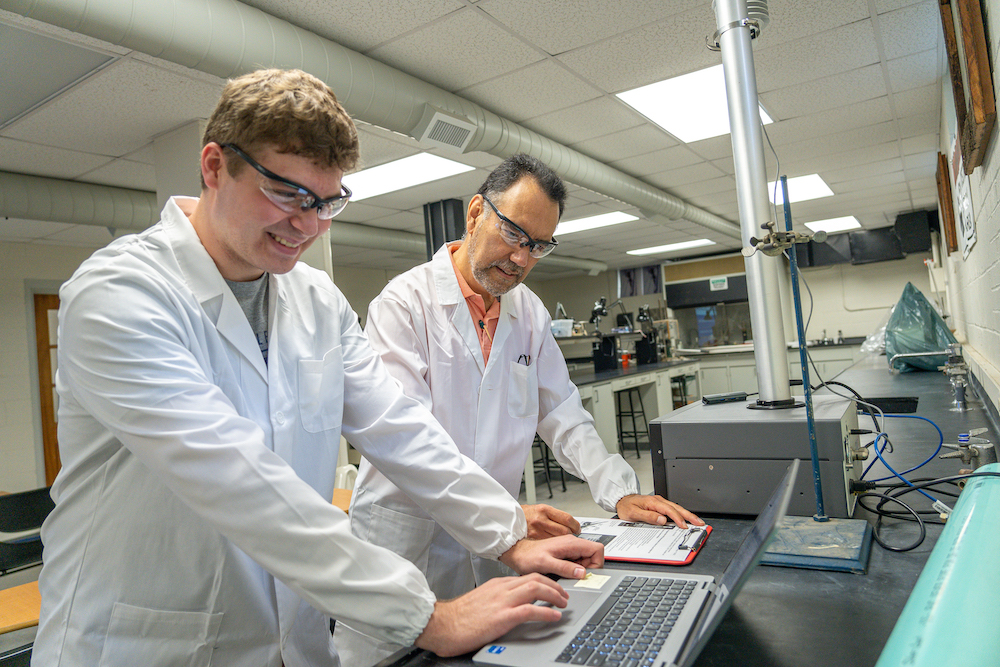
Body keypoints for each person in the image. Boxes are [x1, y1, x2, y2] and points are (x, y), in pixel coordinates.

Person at [33, 69, 603, 667]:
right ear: (213, 166)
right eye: (287, 193)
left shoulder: (315, 300)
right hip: (146, 642)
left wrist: (506, 534)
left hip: (291, 642)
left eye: (327, 202)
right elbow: (237, 480)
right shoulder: (121, 294)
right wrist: (425, 614)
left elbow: (398, 429)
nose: (308, 225)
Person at [337, 154, 703, 665]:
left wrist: (620, 491)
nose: (522, 258)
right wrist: (504, 521)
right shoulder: (404, 303)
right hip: (408, 541)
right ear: (475, 214)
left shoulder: (526, 310)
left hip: (496, 546)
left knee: (489, 655)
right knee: (388, 658)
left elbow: (561, 411)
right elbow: (407, 439)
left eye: (538, 246)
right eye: (513, 234)